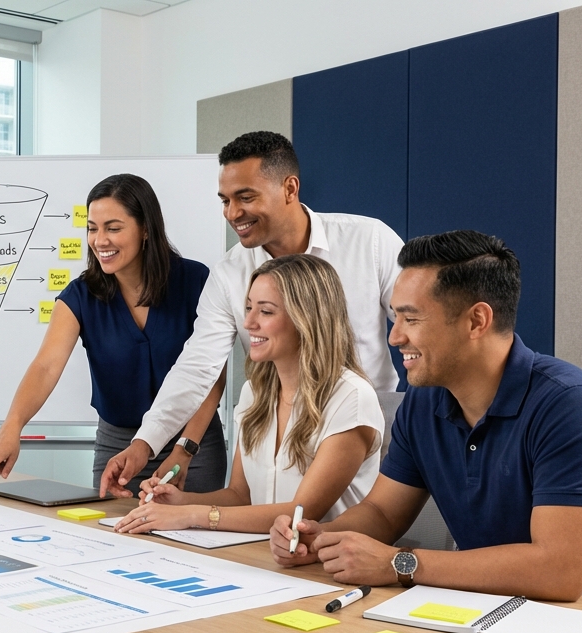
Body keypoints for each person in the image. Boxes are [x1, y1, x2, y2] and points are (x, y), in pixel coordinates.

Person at [270, 230, 582, 610]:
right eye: (396, 318)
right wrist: (324, 538)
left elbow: (559, 571)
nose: (395, 337)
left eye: (411, 319)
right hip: (493, 609)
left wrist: (400, 564)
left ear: (477, 321)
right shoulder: (423, 403)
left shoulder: (574, 407)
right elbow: (383, 513)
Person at [100, 131, 404, 499]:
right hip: (281, 424)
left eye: (245, 197)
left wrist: (429, 421)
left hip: (366, 424)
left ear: (290, 189)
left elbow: (419, 327)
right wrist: (145, 444)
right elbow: (198, 366)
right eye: (225, 201)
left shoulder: (368, 241)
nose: (232, 213)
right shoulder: (230, 274)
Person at [0, 174, 228, 491]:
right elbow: (45, 366)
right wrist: (11, 427)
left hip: (193, 442)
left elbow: (212, 373)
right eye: (92, 228)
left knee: (191, 537)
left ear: (146, 229)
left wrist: (185, 449)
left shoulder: (195, 281)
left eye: (113, 228)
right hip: (118, 448)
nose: (100, 240)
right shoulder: (80, 296)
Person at [114, 254, 383, 535]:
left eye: (265, 312)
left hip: (323, 566)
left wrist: (190, 514)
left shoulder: (351, 398)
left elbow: (301, 513)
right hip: (262, 557)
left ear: (307, 318)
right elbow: (241, 496)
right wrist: (178, 502)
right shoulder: (254, 392)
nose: (248, 323)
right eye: (248, 308)